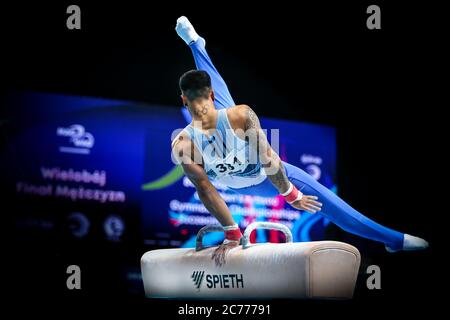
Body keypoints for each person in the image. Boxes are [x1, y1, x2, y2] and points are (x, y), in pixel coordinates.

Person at [171, 16, 428, 266]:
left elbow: (261, 164)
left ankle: (394, 240)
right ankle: (196, 45)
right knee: (222, 111)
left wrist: (281, 197)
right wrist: (238, 228)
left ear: (183, 99)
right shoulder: (215, 126)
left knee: (334, 208)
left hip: (262, 178)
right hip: (247, 177)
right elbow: (211, 186)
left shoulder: (183, 142)